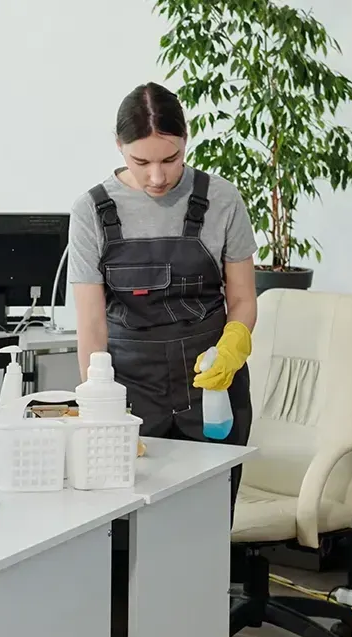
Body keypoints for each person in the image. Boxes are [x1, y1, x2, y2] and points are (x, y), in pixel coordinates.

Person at [68, 82, 259, 503]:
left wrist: (233, 345)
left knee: (207, 519)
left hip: (211, 385)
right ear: (119, 146)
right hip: (130, 389)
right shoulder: (92, 211)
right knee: (123, 527)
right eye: (141, 161)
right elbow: (92, 324)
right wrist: (102, 412)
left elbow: (243, 298)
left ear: (186, 140)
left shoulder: (222, 200)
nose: (157, 176)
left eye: (171, 158)